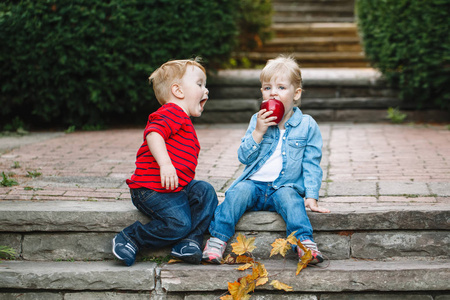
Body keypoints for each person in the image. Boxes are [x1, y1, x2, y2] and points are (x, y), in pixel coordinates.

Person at [202, 55, 330, 265]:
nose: (273, 93)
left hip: (285, 186)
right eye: (267, 88)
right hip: (254, 185)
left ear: (296, 94)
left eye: (281, 87)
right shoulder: (257, 120)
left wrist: (312, 196)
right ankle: (217, 240)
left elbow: (311, 164)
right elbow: (244, 156)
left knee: (292, 202)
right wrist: (258, 132)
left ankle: (305, 243)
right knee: (235, 194)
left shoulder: (307, 125)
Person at [112, 58, 218, 266]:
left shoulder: (182, 119)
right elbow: (153, 134)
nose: (206, 91)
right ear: (178, 91)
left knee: (205, 191)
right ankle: (131, 238)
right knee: (179, 223)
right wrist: (166, 164)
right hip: (152, 190)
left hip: (176, 188)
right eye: (199, 84)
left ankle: (189, 242)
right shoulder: (173, 112)